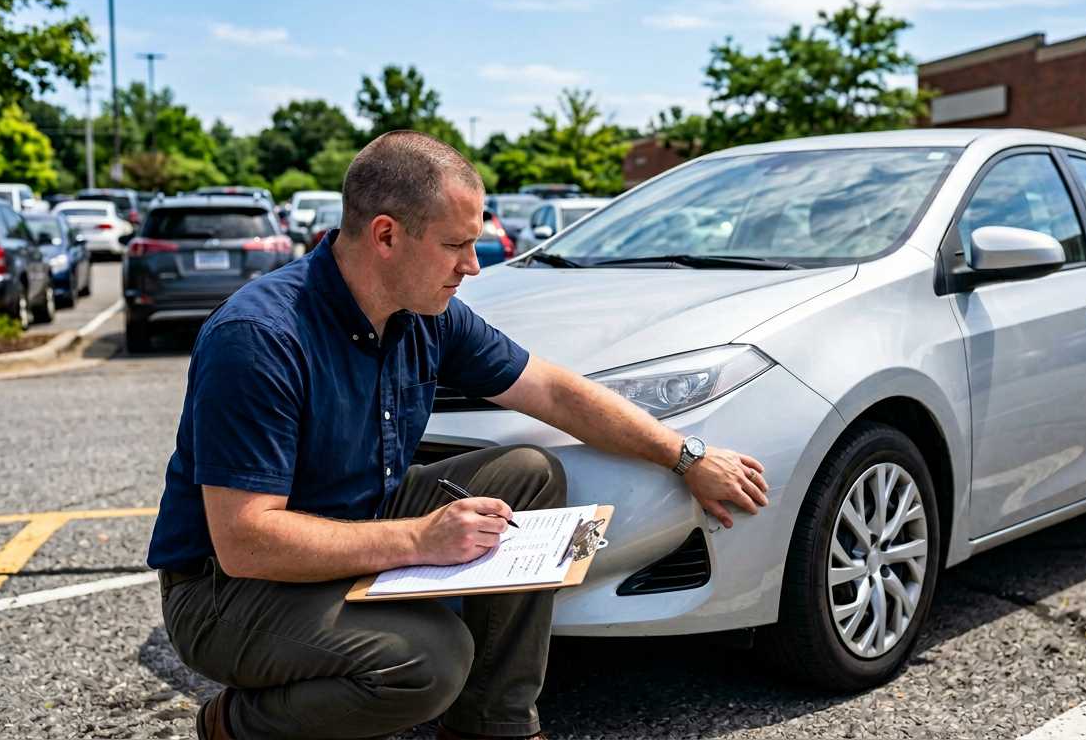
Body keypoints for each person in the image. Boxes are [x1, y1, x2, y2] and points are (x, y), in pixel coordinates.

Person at [146, 131, 769, 740]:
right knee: (430, 660)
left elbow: (551, 390)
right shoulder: (260, 338)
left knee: (527, 472)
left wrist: (684, 455)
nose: (473, 265)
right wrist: (419, 539)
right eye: (456, 246)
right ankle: (234, 725)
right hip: (228, 592)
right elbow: (246, 542)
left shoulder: (424, 314)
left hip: (355, 519)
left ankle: (492, 725)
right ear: (386, 235)